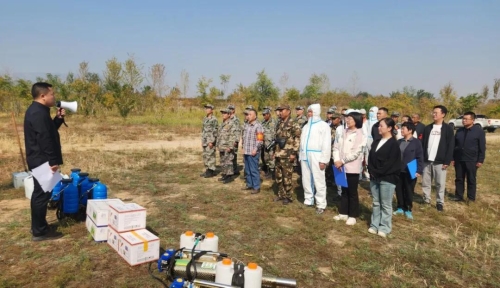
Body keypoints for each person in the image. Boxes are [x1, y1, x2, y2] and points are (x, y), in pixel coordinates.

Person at [24, 82, 65, 241]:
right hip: (42, 160)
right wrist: (52, 161)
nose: (54, 97)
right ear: (43, 96)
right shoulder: (38, 113)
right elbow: (45, 139)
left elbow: (49, 131)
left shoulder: (39, 111)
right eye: (52, 94)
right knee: (41, 196)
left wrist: (59, 119)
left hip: (40, 158)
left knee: (41, 194)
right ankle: (39, 232)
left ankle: (38, 226)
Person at [367, 118, 401, 238]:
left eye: (381, 126)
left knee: (386, 204)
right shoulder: (376, 141)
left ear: (389, 128)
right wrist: (371, 170)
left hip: (387, 178)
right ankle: (374, 224)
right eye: (378, 126)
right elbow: (370, 158)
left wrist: (378, 172)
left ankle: (385, 227)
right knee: (376, 202)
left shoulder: (394, 144)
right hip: (374, 177)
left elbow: (391, 163)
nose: (379, 128)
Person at [332, 112, 366, 225]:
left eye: (350, 119)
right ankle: (343, 212)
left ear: (356, 120)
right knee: (344, 190)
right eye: (347, 119)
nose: (347, 121)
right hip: (340, 166)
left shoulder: (360, 134)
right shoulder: (343, 132)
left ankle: (353, 215)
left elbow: (356, 153)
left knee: (352, 191)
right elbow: (336, 146)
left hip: (352, 167)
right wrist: (336, 160)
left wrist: (342, 161)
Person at [299, 104, 331, 214]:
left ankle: (321, 203)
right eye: (308, 112)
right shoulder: (306, 126)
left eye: (311, 112)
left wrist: (324, 160)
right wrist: (301, 155)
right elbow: (302, 142)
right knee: (306, 178)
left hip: (317, 155)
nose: (309, 114)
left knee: (319, 179)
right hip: (305, 155)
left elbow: (327, 144)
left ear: (317, 112)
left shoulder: (323, 126)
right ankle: (308, 199)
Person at [421, 105, 454, 211]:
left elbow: (450, 146)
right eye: (433, 112)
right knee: (426, 182)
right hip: (427, 160)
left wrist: (447, 161)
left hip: (440, 161)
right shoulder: (428, 128)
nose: (433, 114)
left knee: (440, 183)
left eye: (436, 113)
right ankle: (426, 199)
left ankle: (440, 202)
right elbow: (423, 144)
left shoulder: (448, 129)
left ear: (443, 114)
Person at [451, 111, 486, 202]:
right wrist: (452, 158)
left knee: (471, 179)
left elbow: (482, 147)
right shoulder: (459, 131)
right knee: (459, 178)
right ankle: (459, 196)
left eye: (466, 119)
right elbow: (454, 145)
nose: (464, 120)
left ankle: (471, 198)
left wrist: (480, 160)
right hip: (459, 159)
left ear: (473, 120)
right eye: (463, 119)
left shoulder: (479, 132)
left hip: (472, 159)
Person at [393, 122, 424, 220]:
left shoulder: (416, 142)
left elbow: (420, 157)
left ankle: (408, 209)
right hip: (399, 170)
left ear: (410, 130)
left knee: (409, 190)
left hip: (410, 170)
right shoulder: (399, 141)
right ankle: (400, 207)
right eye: (401, 129)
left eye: (403, 129)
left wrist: (419, 170)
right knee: (399, 189)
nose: (401, 131)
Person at [273, 104, 302, 205]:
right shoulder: (279, 123)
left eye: (282, 110)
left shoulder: (294, 123)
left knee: (287, 177)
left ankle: (289, 196)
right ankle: (281, 194)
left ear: (288, 111)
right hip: (278, 154)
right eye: (279, 110)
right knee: (278, 176)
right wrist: (274, 152)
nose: (280, 112)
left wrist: (294, 153)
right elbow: (276, 139)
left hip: (287, 155)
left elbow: (297, 139)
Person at [242, 108, 264, 194]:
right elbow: (245, 138)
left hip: (253, 152)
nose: (248, 116)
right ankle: (249, 184)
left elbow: (260, 140)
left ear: (255, 116)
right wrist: (243, 148)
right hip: (247, 151)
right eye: (247, 114)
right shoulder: (247, 125)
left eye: (250, 114)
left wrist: (255, 149)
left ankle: (256, 187)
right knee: (247, 170)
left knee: (254, 170)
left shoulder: (258, 126)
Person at [217, 108, 238, 184]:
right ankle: (225, 174)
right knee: (223, 161)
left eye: (225, 113)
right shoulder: (222, 123)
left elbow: (233, 136)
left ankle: (229, 176)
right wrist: (218, 145)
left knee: (228, 161)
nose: (223, 114)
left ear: (229, 114)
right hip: (222, 145)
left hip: (227, 146)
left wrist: (230, 146)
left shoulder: (231, 124)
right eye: (222, 113)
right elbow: (219, 135)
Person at [200, 104, 218, 178]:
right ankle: (207, 170)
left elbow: (215, 131)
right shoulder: (205, 118)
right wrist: (202, 140)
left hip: (210, 141)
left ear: (212, 110)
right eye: (206, 108)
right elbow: (203, 130)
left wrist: (212, 141)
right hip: (205, 140)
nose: (206, 109)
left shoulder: (214, 119)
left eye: (208, 108)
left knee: (211, 155)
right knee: (206, 155)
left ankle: (211, 170)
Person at [261, 108, 277, 179]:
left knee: (271, 159)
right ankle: (268, 171)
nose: (263, 116)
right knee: (266, 158)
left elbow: (276, 134)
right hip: (265, 143)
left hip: (272, 144)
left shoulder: (274, 122)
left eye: (265, 115)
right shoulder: (263, 122)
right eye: (263, 115)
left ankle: (272, 173)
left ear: (268, 114)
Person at [227, 104, 241, 176]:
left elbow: (238, 130)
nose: (230, 110)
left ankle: (234, 170)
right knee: (230, 156)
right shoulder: (228, 118)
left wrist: (236, 140)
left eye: (231, 109)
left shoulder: (236, 119)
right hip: (228, 139)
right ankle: (233, 170)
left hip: (234, 140)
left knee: (233, 155)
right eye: (229, 108)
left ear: (234, 110)